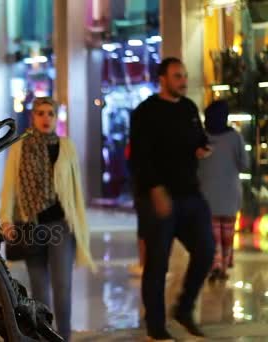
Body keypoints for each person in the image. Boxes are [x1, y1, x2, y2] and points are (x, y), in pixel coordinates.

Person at [129, 57, 215, 341]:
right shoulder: (146, 112)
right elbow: (140, 157)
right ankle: (156, 327)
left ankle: (183, 308)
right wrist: (155, 190)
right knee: (157, 263)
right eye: (177, 76)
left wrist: (203, 148)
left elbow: (199, 138)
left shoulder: (189, 108)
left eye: (184, 75)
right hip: (158, 198)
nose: (183, 81)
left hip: (190, 194)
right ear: (162, 79)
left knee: (205, 252)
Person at [0, 97, 95, 340]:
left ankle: (64, 336)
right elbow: (10, 186)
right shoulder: (20, 147)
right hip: (31, 226)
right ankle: (44, 337)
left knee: (63, 288)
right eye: (40, 113)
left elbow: (75, 190)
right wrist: (6, 219)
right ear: (33, 117)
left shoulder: (66, 146)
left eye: (50, 113)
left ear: (56, 117)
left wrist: (80, 224)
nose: (46, 118)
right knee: (39, 291)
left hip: (60, 225)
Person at [198, 100, 249, 282]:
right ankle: (224, 265)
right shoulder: (235, 137)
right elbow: (244, 164)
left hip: (207, 195)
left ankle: (216, 264)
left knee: (213, 236)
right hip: (230, 194)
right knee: (228, 234)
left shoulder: (202, 137)